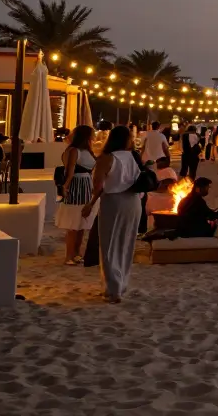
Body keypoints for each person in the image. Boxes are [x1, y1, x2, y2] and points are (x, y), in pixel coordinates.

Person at [82, 126, 142, 303]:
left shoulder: (106, 158)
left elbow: (98, 186)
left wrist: (91, 204)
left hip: (114, 202)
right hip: (133, 201)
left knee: (109, 245)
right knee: (126, 243)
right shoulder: (134, 156)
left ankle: (113, 289)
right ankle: (122, 284)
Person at [54, 125, 97, 265]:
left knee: (81, 224)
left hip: (86, 185)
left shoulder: (87, 150)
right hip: (76, 186)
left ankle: (77, 253)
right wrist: (65, 187)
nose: (94, 136)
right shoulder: (74, 150)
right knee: (73, 225)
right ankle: (69, 256)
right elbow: (70, 171)